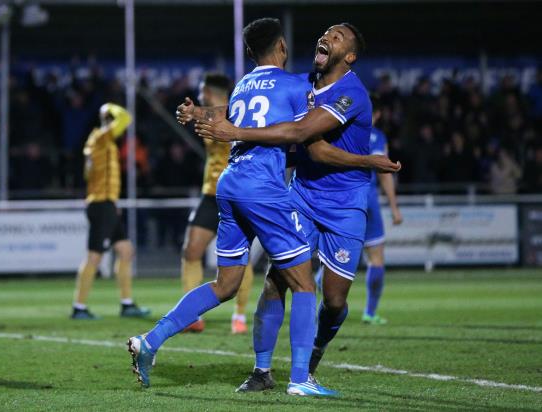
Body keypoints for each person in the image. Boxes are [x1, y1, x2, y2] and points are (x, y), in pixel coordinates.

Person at [128, 18, 337, 396]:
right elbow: (303, 130)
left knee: (226, 284)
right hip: (263, 188)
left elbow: (232, 110)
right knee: (304, 283)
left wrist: (199, 113)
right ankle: (301, 379)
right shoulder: (295, 84)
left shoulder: (243, 86)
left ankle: (150, 340)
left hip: (229, 183)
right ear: (282, 48)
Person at [195, 23, 401, 388]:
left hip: (345, 206)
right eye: (327, 33)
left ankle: (316, 347)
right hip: (303, 194)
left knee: (334, 300)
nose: (327, 37)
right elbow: (242, 107)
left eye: (337, 37)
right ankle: (261, 371)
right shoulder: (306, 82)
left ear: (349, 56)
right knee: (277, 280)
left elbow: (306, 137)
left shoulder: (351, 93)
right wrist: (203, 113)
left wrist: (232, 131)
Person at [181, 73, 254, 334]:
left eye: (202, 93)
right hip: (210, 192)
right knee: (191, 250)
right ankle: (191, 315)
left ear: (210, 93)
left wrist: (196, 113)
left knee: (240, 257)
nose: (200, 97)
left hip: (236, 192)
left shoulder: (237, 109)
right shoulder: (207, 112)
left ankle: (240, 316)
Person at [71, 103, 150, 320]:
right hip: (101, 204)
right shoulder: (102, 138)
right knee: (94, 258)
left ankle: (126, 304)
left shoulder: (98, 142)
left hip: (106, 204)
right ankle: (78, 307)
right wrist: (109, 107)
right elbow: (125, 117)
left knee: (125, 251)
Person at [360, 94, 403, 325]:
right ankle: (369, 311)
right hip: (367, 201)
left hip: (339, 201)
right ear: (376, 114)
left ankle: (318, 305)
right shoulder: (376, 136)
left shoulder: (339, 131)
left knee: (333, 258)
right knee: (376, 258)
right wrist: (395, 208)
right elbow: (384, 172)